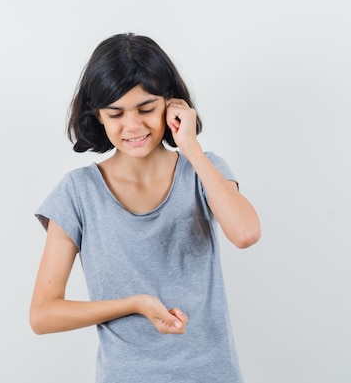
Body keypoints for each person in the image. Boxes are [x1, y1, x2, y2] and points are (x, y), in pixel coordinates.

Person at [29, 33, 261, 383]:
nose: (133, 125)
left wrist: (191, 147)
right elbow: (43, 315)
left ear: (171, 104)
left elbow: (245, 234)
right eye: (116, 113)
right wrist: (133, 304)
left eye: (147, 108)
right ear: (98, 116)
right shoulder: (77, 192)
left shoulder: (203, 171)